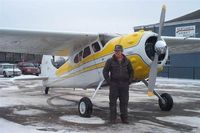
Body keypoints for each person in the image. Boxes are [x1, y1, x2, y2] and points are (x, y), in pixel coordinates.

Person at [103, 45, 133, 124]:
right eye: (116, 51)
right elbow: (105, 71)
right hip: (114, 85)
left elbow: (131, 72)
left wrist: (129, 81)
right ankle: (112, 119)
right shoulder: (110, 61)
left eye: (119, 51)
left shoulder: (127, 61)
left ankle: (125, 119)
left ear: (122, 51)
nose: (117, 52)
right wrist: (109, 81)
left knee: (124, 102)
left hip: (124, 85)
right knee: (112, 103)